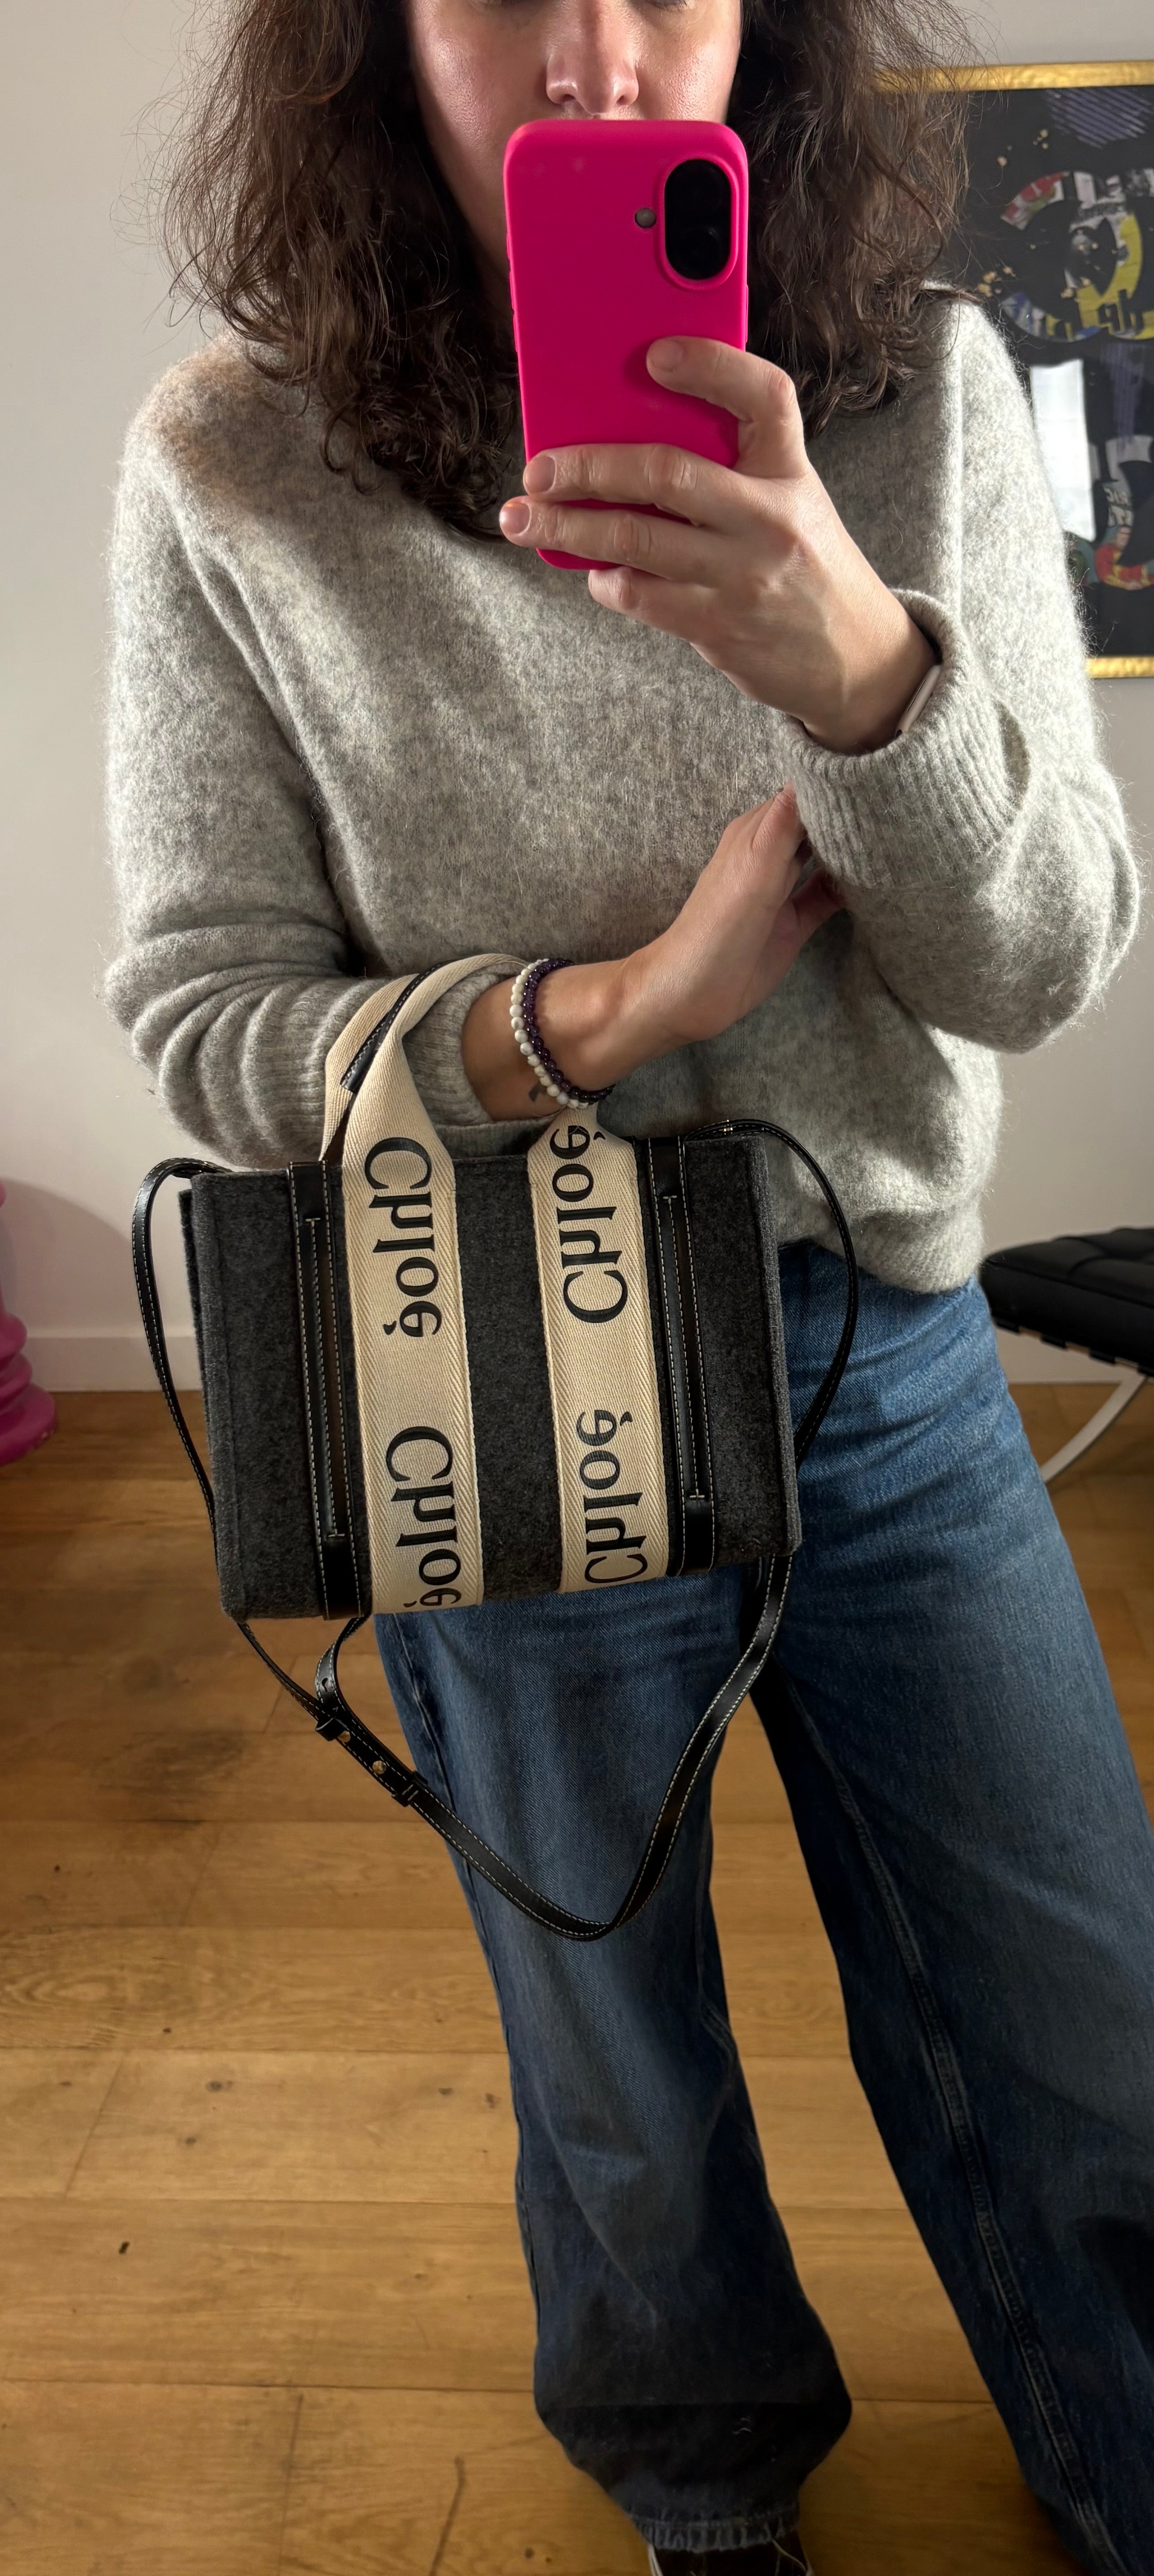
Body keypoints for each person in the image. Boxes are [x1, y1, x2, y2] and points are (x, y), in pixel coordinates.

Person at [105, 2, 1152, 2568]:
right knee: (614, 2060)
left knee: (1088, 2013)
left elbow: (1041, 964)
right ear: (369, 40)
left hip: (881, 1347)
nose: (592, 53)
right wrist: (615, 1014)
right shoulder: (235, 462)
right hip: (504, 1347)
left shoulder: (919, 394)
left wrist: (866, 675)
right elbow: (211, 1024)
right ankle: (704, 2490)